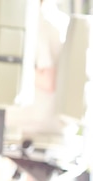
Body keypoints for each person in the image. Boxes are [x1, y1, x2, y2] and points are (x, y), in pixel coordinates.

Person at [6, 0, 70, 139]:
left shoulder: (35, 19)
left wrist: (6, 65)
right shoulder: (62, 20)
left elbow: (47, 80)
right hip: (52, 125)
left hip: (31, 125)